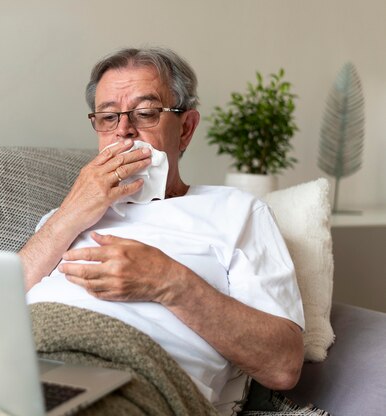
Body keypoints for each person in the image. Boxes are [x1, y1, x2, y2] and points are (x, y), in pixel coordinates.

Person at [20, 47, 304, 414]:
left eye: (146, 113)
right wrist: (71, 213)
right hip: (23, 360)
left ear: (185, 129)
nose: (124, 130)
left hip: (137, 380)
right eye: (108, 117)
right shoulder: (64, 217)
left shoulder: (236, 211)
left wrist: (167, 281)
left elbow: (283, 364)